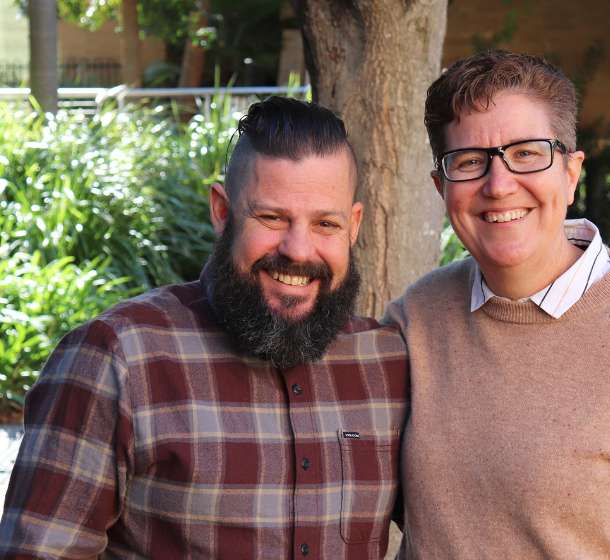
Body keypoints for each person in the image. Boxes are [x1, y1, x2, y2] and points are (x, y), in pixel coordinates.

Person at [385, 50, 610, 559]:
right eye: (470, 162)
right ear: (441, 187)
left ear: (572, 172)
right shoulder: (414, 321)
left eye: (527, 153)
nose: (498, 185)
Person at [0, 97, 408, 559]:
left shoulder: (388, 363)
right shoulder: (118, 358)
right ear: (221, 210)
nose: (299, 249)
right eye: (272, 218)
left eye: (325, 223)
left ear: (353, 226)